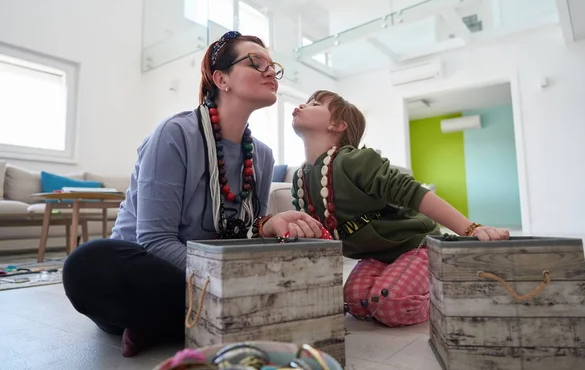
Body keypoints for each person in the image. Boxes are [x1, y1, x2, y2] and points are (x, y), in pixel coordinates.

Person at [61, 31, 323, 357]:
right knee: (85, 265)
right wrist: (231, 281)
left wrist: (268, 225)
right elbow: (155, 241)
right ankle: (219, 316)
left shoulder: (263, 155)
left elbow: (241, 235)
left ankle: (174, 323)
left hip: (206, 278)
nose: (271, 72)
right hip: (149, 271)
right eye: (257, 63)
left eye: (273, 66)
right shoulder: (176, 134)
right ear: (221, 78)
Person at [290, 90, 510, 327]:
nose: (303, 105)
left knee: (390, 303)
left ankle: (451, 290)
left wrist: (471, 229)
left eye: (314, 104)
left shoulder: (354, 161)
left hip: (414, 246)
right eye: (306, 101)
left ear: (337, 124)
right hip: (376, 255)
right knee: (353, 302)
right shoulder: (301, 178)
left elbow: (414, 193)